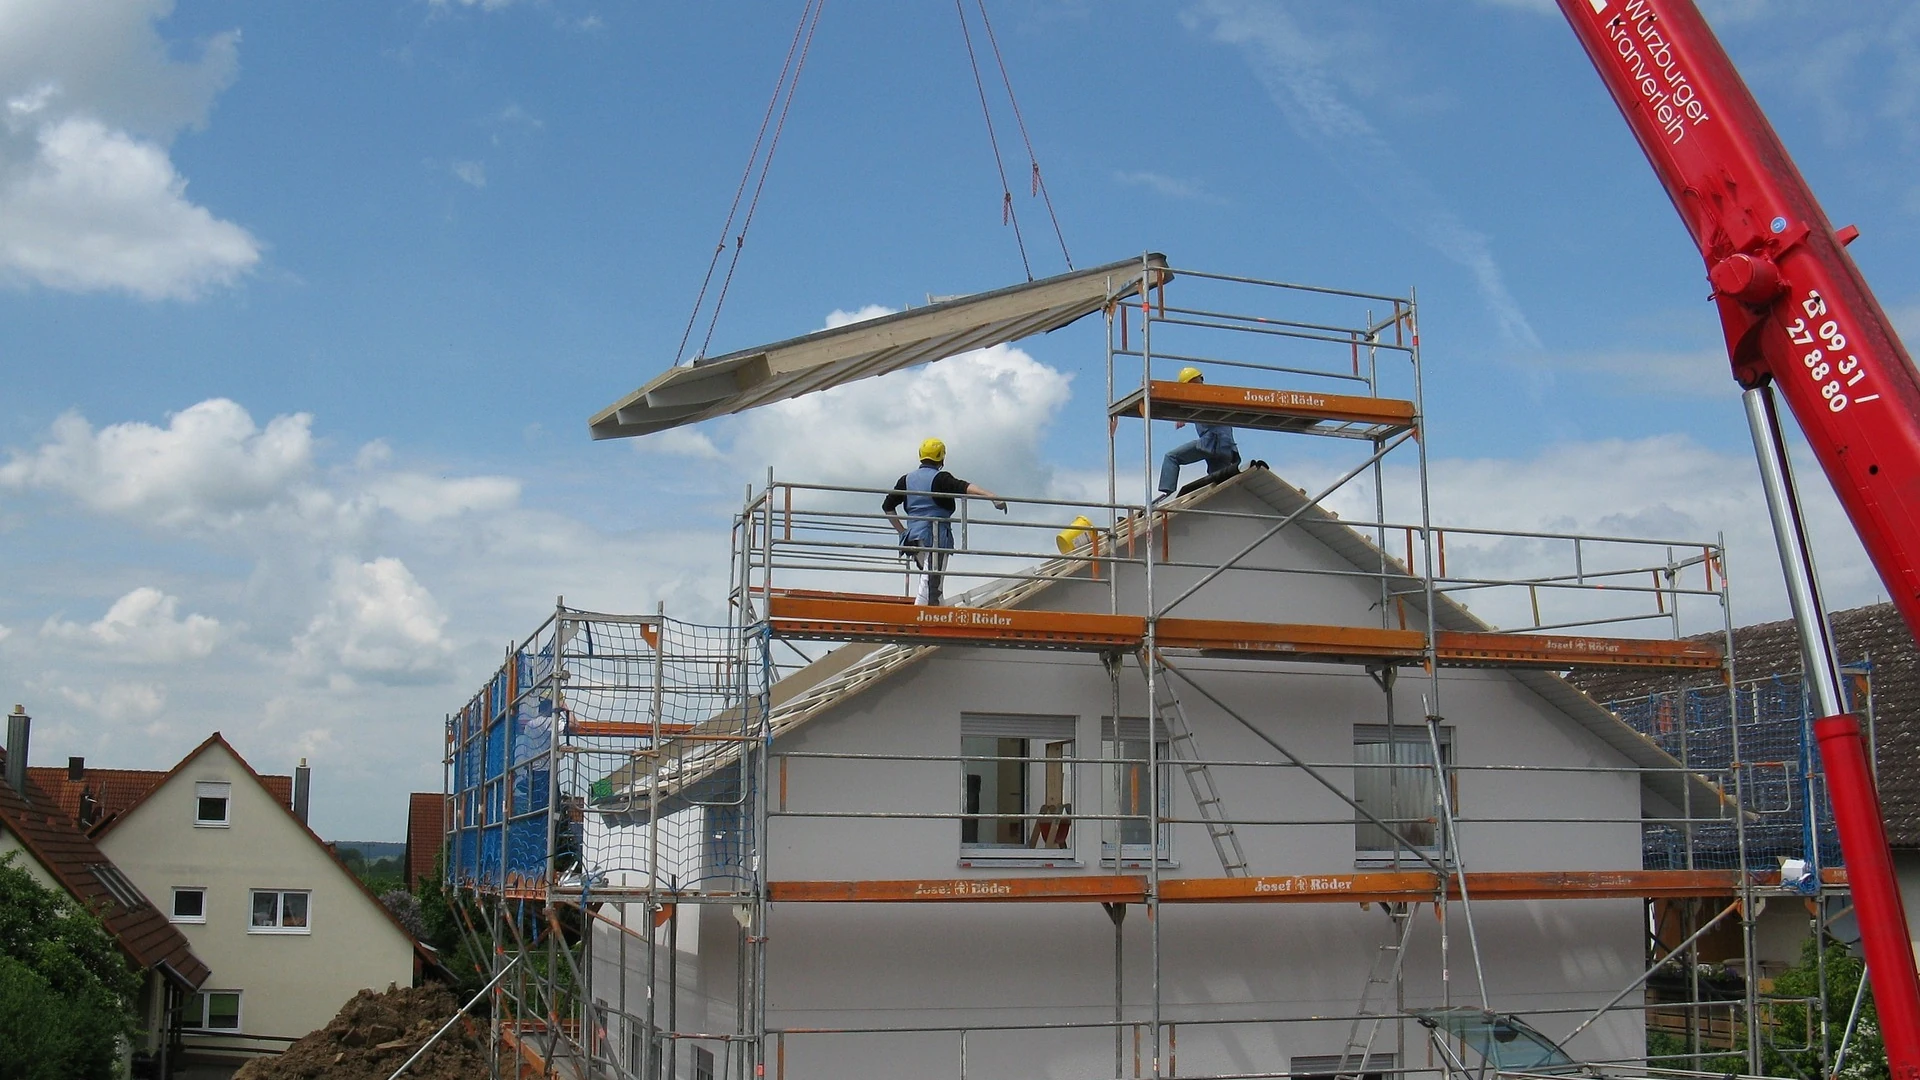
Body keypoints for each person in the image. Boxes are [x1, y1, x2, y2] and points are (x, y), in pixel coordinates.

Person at [883, 437, 1007, 605]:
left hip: (914, 538)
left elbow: (887, 506)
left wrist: (902, 532)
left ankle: (937, 613)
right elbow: (964, 487)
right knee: (931, 585)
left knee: (931, 582)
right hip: (936, 536)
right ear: (941, 457)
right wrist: (992, 496)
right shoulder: (941, 478)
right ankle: (920, 617)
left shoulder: (906, 479)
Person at [1157, 366, 1239, 500]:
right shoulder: (1212, 395)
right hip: (1227, 449)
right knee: (1217, 482)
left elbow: (1198, 407)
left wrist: (1183, 416)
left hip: (1212, 443)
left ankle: (1168, 494)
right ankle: (1225, 501)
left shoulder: (1205, 395)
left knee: (1172, 457)